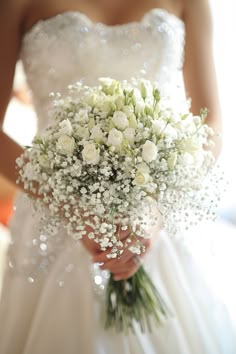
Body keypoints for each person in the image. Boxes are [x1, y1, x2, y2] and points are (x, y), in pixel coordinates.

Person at [0, 0, 235, 353]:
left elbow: (211, 124)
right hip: (52, 217)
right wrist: (69, 206)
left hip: (157, 216)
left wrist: (156, 212)